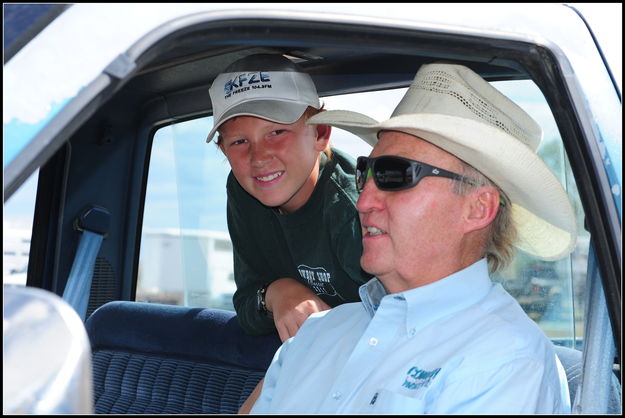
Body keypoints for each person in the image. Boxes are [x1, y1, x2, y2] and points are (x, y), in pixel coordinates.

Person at [240, 62, 577, 414]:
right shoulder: (315, 336)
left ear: (478, 208)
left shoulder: (505, 362)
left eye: (394, 175)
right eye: (365, 173)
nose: (365, 201)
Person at [206, 54, 372, 342]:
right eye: (239, 141)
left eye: (277, 132)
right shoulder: (243, 192)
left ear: (321, 133)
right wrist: (277, 292)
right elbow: (246, 303)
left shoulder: (354, 210)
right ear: (223, 150)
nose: (258, 157)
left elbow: (406, 319)